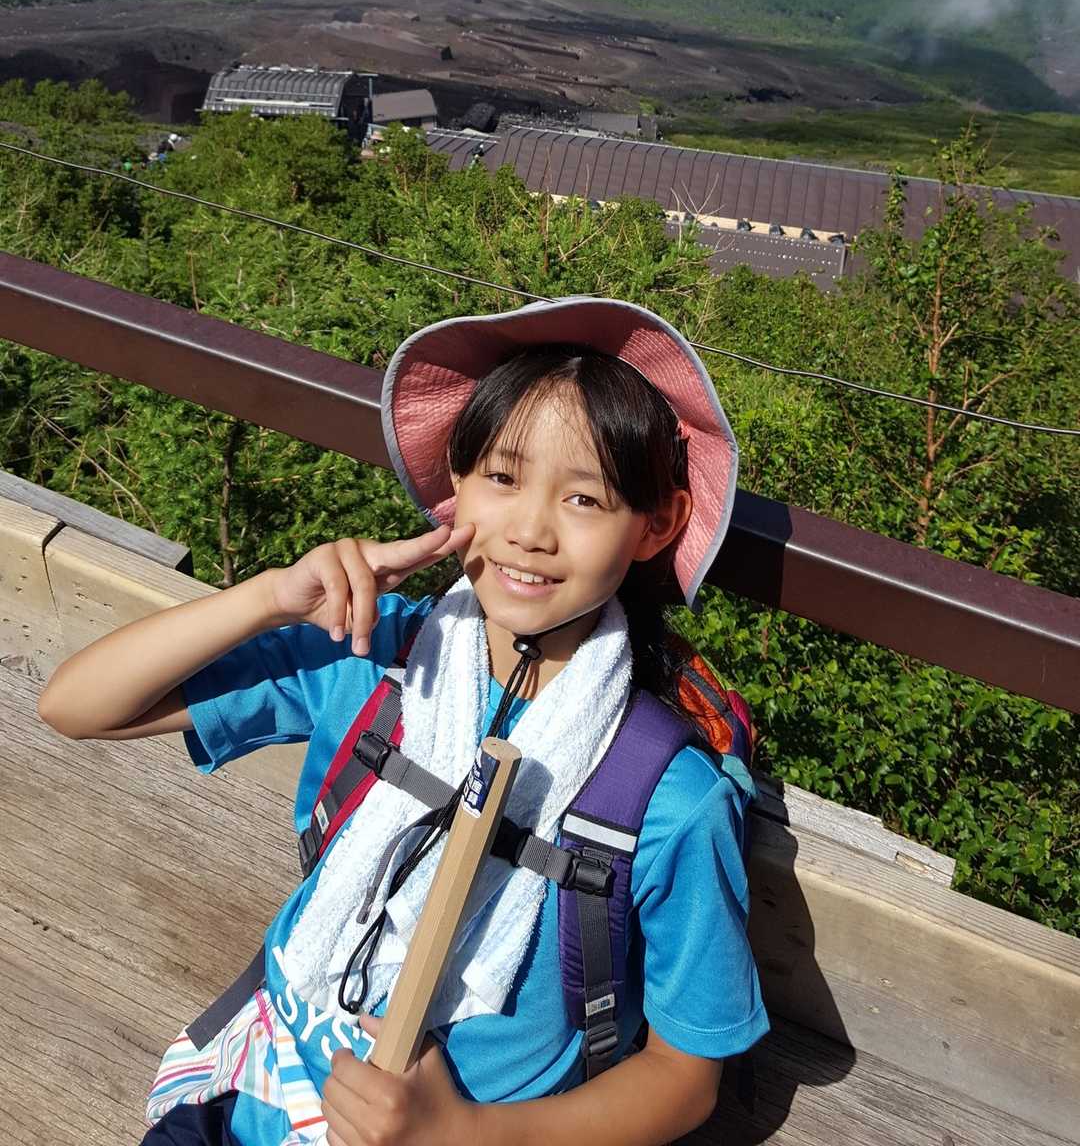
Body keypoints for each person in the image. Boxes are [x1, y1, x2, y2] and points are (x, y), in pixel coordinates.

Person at [38, 296, 769, 1146]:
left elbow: (686, 1077)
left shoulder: (667, 797)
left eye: (585, 498)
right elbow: (75, 706)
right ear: (456, 482)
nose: (531, 531)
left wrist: (461, 1134)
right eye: (502, 478)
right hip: (255, 1092)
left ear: (656, 525)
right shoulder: (377, 660)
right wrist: (270, 598)